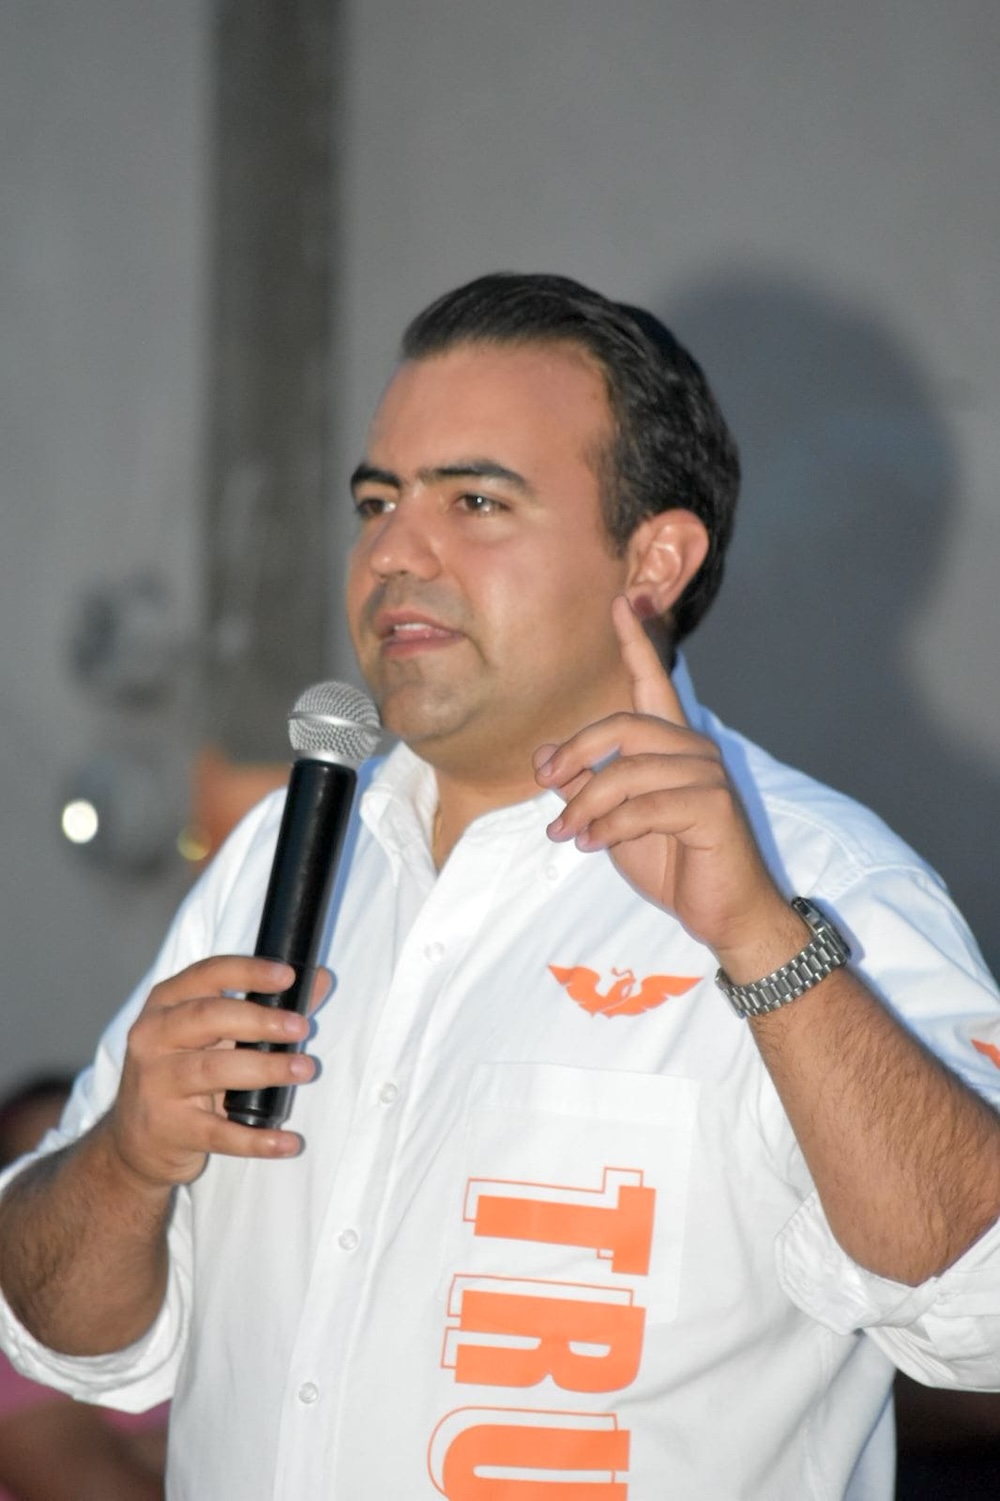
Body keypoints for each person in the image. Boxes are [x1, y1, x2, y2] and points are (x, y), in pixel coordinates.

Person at [1, 272, 999, 1500]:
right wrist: (123, 1160)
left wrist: (765, 947)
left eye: (474, 500)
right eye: (377, 501)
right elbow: (60, 1337)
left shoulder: (815, 876)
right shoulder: (278, 856)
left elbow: (987, 1314)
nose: (391, 552)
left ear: (654, 560)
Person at [0, 1077, 167, 1501]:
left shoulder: (180, 1289)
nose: (77, 1188)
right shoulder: (12, 1344)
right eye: (41, 1172)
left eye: (87, 1148)